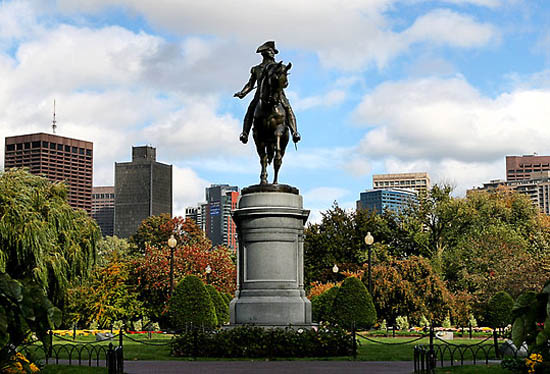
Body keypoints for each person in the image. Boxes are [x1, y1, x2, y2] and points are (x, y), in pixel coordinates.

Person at [234, 41, 300, 144]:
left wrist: (281, 82)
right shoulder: (256, 69)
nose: (273, 53)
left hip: (278, 94)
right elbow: (250, 84)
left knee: (287, 107)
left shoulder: (279, 67)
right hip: (260, 95)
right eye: (271, 51)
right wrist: (242, 93)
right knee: (251, 109)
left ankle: (294, 132)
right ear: (264, 53)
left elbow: (285, 83)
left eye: (273, 51)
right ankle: (245, 133)